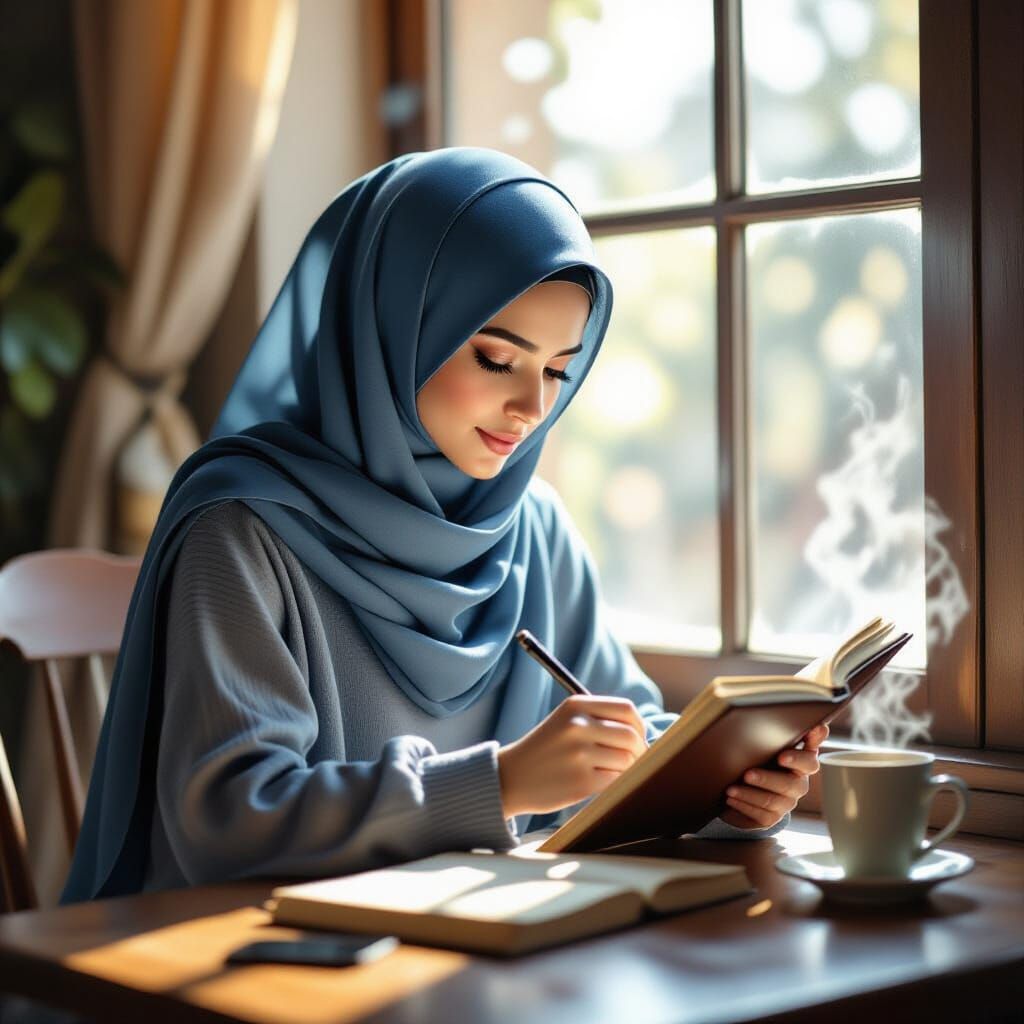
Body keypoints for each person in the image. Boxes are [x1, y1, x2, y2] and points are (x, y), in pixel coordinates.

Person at [61, 147, 825, 903]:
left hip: (481, 959)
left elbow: (630, 738)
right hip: (255, 969)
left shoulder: (535, 530)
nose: (533, 409)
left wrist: (729, 795)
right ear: (395, 328)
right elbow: (231, 818)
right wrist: (502, 783)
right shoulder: (240, 528)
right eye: (498, 359)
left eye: (559, 371)